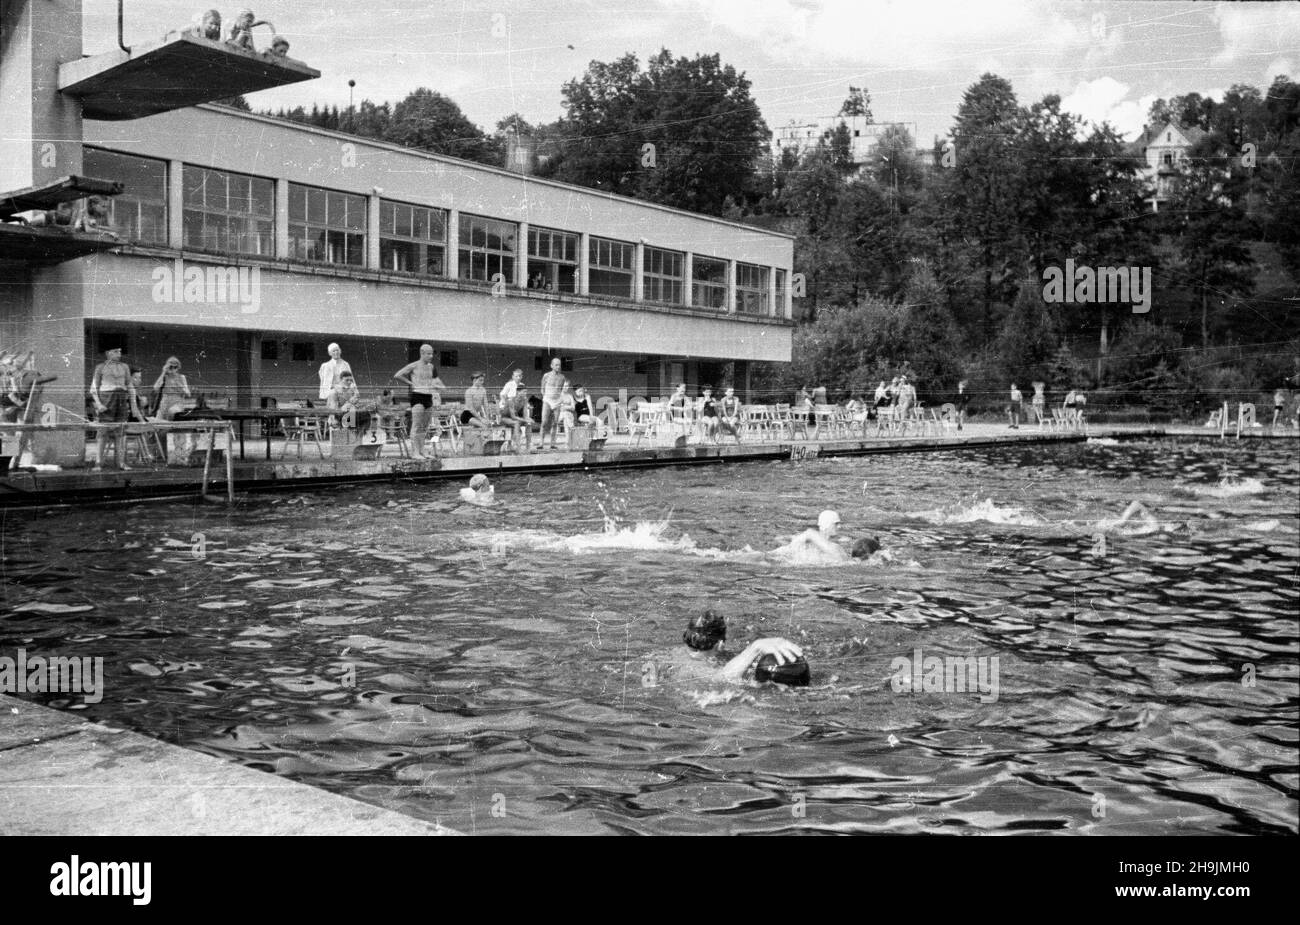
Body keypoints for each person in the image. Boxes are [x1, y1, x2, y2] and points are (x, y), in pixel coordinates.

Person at [680, 610, 809, 686]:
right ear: (720, 645)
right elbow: (721, 678)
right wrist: (756, 647)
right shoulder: (691, 670)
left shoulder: (677, 656)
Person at [89, 346, 145, 470]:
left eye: (120, 351)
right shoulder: (100, 367)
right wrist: (98, 404)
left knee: (121, 432)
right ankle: (98, 463)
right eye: (115, 351)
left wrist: (134, 407)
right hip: (106, 399)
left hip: (121, 399)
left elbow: (130, 387)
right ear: (108, 353)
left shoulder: (124, 367)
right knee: (103, 432)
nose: (119, 353)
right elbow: (93, 389)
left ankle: (120, 462)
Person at [393, 344, 444, 459]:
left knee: (424, 426)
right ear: (422, 353)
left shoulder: (431, 367)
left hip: (428, 396)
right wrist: (411, 383)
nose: (431, 356)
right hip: (417, 396)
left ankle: (422, 451)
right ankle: (415, 452)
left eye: (432, 354)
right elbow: (397, 375)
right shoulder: (414, 365)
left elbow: (436, 381)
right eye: (428, 354)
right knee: (416, 425)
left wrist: (440, 387)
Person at [771, 510, 851, 564]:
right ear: (827, 524)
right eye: (836, 524)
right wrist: (795, 542)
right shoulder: (808, 539)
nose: (840, 527)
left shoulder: (839, 542)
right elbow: (778, 539)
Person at [539, 357, 566, 451]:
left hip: (557, 401)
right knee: (544, 422)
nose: (558, 367)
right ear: (551, 365)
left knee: (555, 423)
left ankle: (553, 443)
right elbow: (542, 388)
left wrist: (558, 399)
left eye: (559, 365)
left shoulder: (562, 377)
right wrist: (545, 397)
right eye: (556, 365)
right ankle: (541, 443)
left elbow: (561, 389)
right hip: (547, 400)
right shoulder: (546, 375)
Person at [152, 356, 191, 420]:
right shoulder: (164, 377)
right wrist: (163, 372)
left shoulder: (181, 377)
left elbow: (188, 394)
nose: (173, 369)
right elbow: (155, 388)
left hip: (177, 403)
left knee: (171, 412)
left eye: (175, 367)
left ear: (178, 368)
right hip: (164, 404)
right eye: (171, 367)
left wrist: (178, 384)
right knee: (157, 423)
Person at [499, 384, 532, 453]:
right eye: (524, 392)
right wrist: (524, 419)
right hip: (505, 418)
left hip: (514, 418)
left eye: (526, 392)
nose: (525, 393)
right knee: (517, 423)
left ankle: (528, 447)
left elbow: (525, 414)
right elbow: (513, 416)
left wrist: (528, 419)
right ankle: (518, 447)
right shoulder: (511, 400)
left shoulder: (525, 400)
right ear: (518, 392)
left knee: (529, 424)